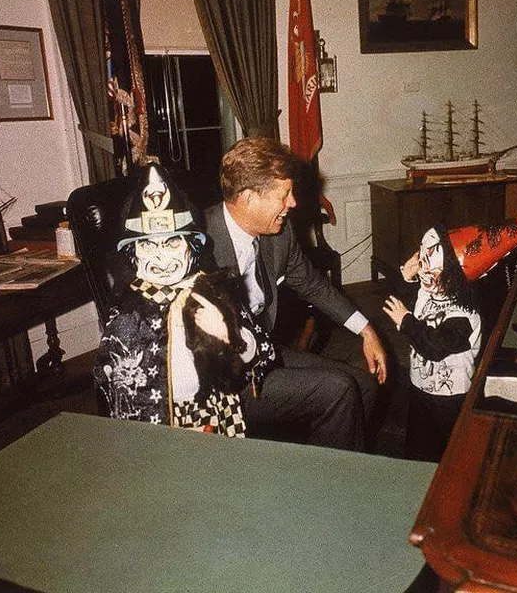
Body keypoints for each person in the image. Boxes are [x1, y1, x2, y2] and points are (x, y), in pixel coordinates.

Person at [203, 137, 388, 451]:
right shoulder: (199, 244)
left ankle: (330, 464)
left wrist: (366, 330)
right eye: (284, 194)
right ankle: (322, 488)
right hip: (224, 382)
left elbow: (312, 283)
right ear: (248, 199)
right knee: (338, 390)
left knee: (364, 386)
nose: (293, 203)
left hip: (264, 354)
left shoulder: (279, 234)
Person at [94, 163, 275, 436]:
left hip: (221, 417)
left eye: (172, 243)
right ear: (133, 254)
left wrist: (230, 335)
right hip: (159, 430)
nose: (161, 257)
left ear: (192, 247)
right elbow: (110, 390)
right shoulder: (126, 316)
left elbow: (265, 355)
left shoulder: (214, 292)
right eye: (147, 245)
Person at [383, 225, 481, 462]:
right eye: (422, 255)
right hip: (419, 387)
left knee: (450, 452)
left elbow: (436, 348)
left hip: (450, 399)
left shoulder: (465, 314)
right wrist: (406, 278)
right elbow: (404, 304)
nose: (424, 266)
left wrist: (406, 322)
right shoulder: (427, 293)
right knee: (418, 448)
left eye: (431, 257)